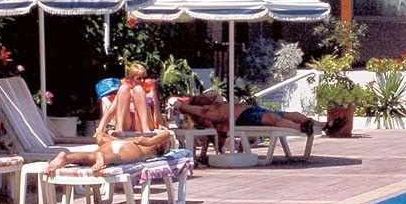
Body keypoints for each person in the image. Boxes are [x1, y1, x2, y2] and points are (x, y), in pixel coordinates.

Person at [172, 95, 322, 145]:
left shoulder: (215, 104)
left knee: (291, 114)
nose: (205, 96)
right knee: (272, 118)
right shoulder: (206, 111)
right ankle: (300, 127)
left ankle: (323, 125)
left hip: (251, 109)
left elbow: (214, 95)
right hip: (243, 118)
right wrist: (180, 104)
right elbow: (187, 107)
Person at [44, 128, 174, 176]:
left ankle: (66, 158)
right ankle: (104, 159)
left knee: (90, 157)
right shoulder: (149, 146)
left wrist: (148, 141)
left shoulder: (156, 148)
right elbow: (167, 134)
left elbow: (167, 134)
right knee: (117, 156)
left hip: (114, 145)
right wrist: (148, 141)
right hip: (130, 148)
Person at [99, 62, 157, 135]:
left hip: (142, 123)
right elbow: (110, 112)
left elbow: (156, 110)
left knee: (138, 89)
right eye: (139, 78)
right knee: (124, 88)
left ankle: (145, 127)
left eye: (144, 78)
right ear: (131, 78)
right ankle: (119, 127)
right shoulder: (125, 92)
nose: (142, 80)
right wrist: (99, 130)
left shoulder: (150, 93)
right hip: (127, 123)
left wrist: (159, 124)